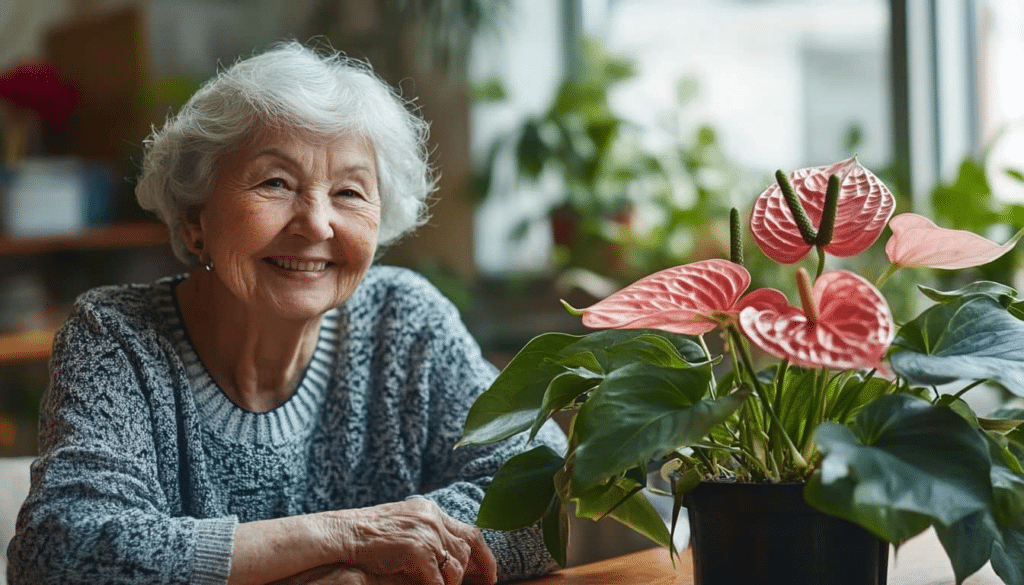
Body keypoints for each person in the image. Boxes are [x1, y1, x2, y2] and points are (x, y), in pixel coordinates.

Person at [6, 41, 565, 585]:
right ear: (196, 217)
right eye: (276, 183)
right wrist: (346, 536)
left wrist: (362, 576)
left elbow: (548, 488)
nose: (317, 224)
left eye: (349, 192)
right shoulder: (117, 338)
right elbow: (61, 551)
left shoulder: (406, 321)